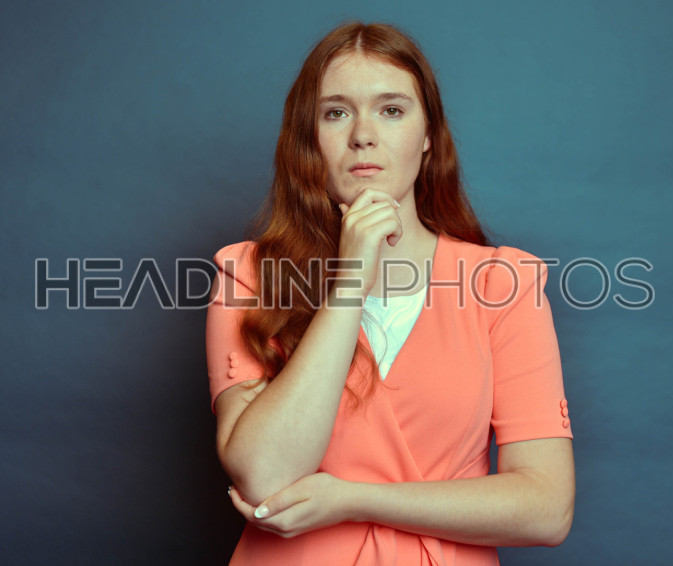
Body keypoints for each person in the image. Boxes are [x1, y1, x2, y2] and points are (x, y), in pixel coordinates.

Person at [205, 21, 575, 566]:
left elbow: (547, 508)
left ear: (428, 136)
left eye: (392, 110)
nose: (363, 134)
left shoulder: (503, 283)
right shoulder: (248, 275)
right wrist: (352, 277)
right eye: (336, 113)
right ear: (307, 138)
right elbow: (264, 476)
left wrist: (352, 500)